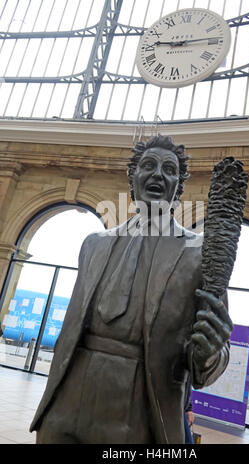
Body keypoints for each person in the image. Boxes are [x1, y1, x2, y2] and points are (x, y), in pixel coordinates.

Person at [30, 134, 233, 444]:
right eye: (148, 165)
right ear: (132, 177)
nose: (157, 175)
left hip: (140, 409)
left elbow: (210, 361)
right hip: (66, 404)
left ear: (179, 187)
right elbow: (71, 330)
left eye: (169, 169)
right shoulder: (93, 245)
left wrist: (209, 354)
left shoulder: (198, 256)